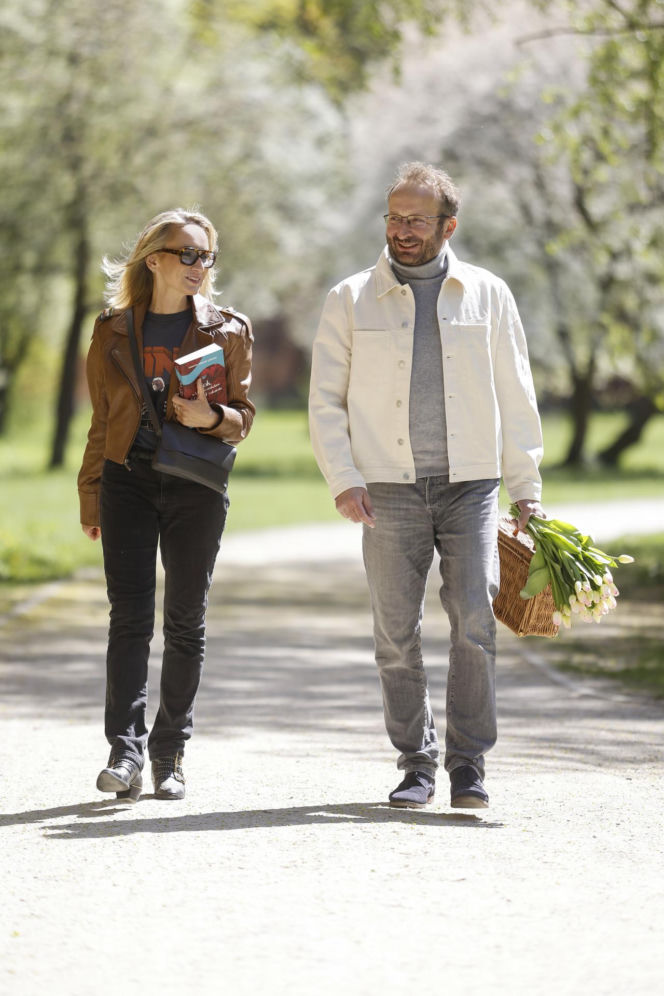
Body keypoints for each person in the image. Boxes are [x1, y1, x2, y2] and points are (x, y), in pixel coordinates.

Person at [309, 162, 544, 810]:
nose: (401, 230)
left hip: (472, 485)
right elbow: (324, 401)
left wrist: (526, 485)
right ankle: (416, 762)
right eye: (394, 217)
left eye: (415, 219)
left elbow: (516, 393)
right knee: (395, 632)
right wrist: (344, 479)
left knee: (474, 618)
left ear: (449, 226)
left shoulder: (488, 294)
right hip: (387, 489)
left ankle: (468, 766)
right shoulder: (349, 298)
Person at [78, 208, 254, 801]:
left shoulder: (228, 330)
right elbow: (101, 420)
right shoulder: (111, 330)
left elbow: (243, 418)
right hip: (126, 481)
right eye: (188, 254)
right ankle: (124, 753)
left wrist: (212, 416)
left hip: (195, 485)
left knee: (185, 622)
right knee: (128, 619)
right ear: (153, 260)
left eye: (206, 256)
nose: (199, 266)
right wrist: (91, 494)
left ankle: (169, 753)